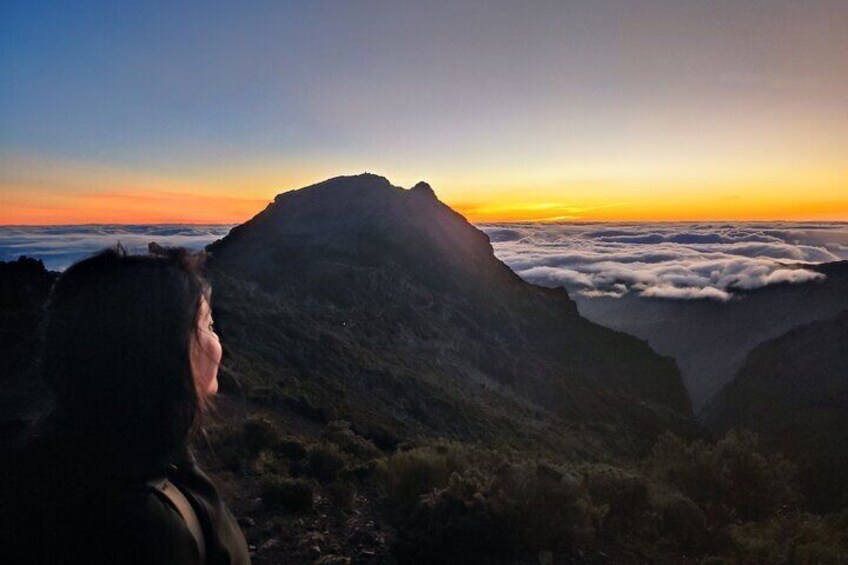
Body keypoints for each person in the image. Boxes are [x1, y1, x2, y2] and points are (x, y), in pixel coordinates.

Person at [1, 246, 250, 564]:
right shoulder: (141, 531)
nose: (218, 343)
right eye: (209, 327)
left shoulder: (42, 455)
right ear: (164, 354)